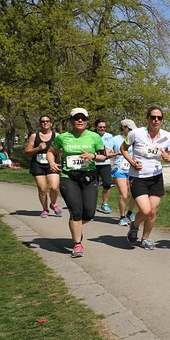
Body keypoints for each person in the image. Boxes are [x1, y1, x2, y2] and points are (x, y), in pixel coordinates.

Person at [47, 108, 106, 258]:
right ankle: (77, 244)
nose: (80, 121)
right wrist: (52, 163)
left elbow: (103, 156)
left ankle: (76, 226)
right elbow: (50, 151)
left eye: (83, 118)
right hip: (69, 177)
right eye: (76, 118)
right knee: (76, 212)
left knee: (89, 213)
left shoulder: (94, 137)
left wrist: (92, 155)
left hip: (89, 178)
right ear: (71, 120)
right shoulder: (63, 137)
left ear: (87, 121)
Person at [120, 107, 170, 250]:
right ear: (147, 119)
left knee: (153, 211)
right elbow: (123, 148)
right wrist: (132, 163)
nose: (156, 120)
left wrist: (167, 157)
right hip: (138, 177)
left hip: (156, 177)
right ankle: (135, 226)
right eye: (153, 117)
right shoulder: (135, 134)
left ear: (162, 120)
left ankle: (145, 238)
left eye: (159, 118)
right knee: (145, 211)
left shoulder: (167, 136)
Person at [24, 115, 63, 218]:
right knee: (42, 189)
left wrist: (56, 150)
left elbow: (62, 149)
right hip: (38, 165)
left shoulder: (57, 135)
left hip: (52, 164)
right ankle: (45, 209)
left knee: (54, 187)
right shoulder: (34, 136)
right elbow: (27, 151)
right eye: (42, 121)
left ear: (51, 123)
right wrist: (38, 148)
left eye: (47, 121)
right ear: (40, 123)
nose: (45, 123)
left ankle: (53, 204)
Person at [108, 120, 136, 226]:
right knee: (124, 195)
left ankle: (129, 212)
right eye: (130, 129)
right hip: (119, 170)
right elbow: (107, 153)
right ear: (124, 128)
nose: (131, 131)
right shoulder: (115, 139)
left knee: (135, 194)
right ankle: (122, 217)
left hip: (132, 170)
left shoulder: (135, 139)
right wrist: (117, 153)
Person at [92, 118, 115, 214]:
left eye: (104, 127)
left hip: (105, 163)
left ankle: (104, 204)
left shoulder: (109, 136)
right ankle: (91, 205)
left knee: (107, 184)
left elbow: (109, 150)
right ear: (96, 127)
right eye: (100, 127)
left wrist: (103, 152)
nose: (102, 128)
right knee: (93, 186)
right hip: (93, 163)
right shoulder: (91, 135)